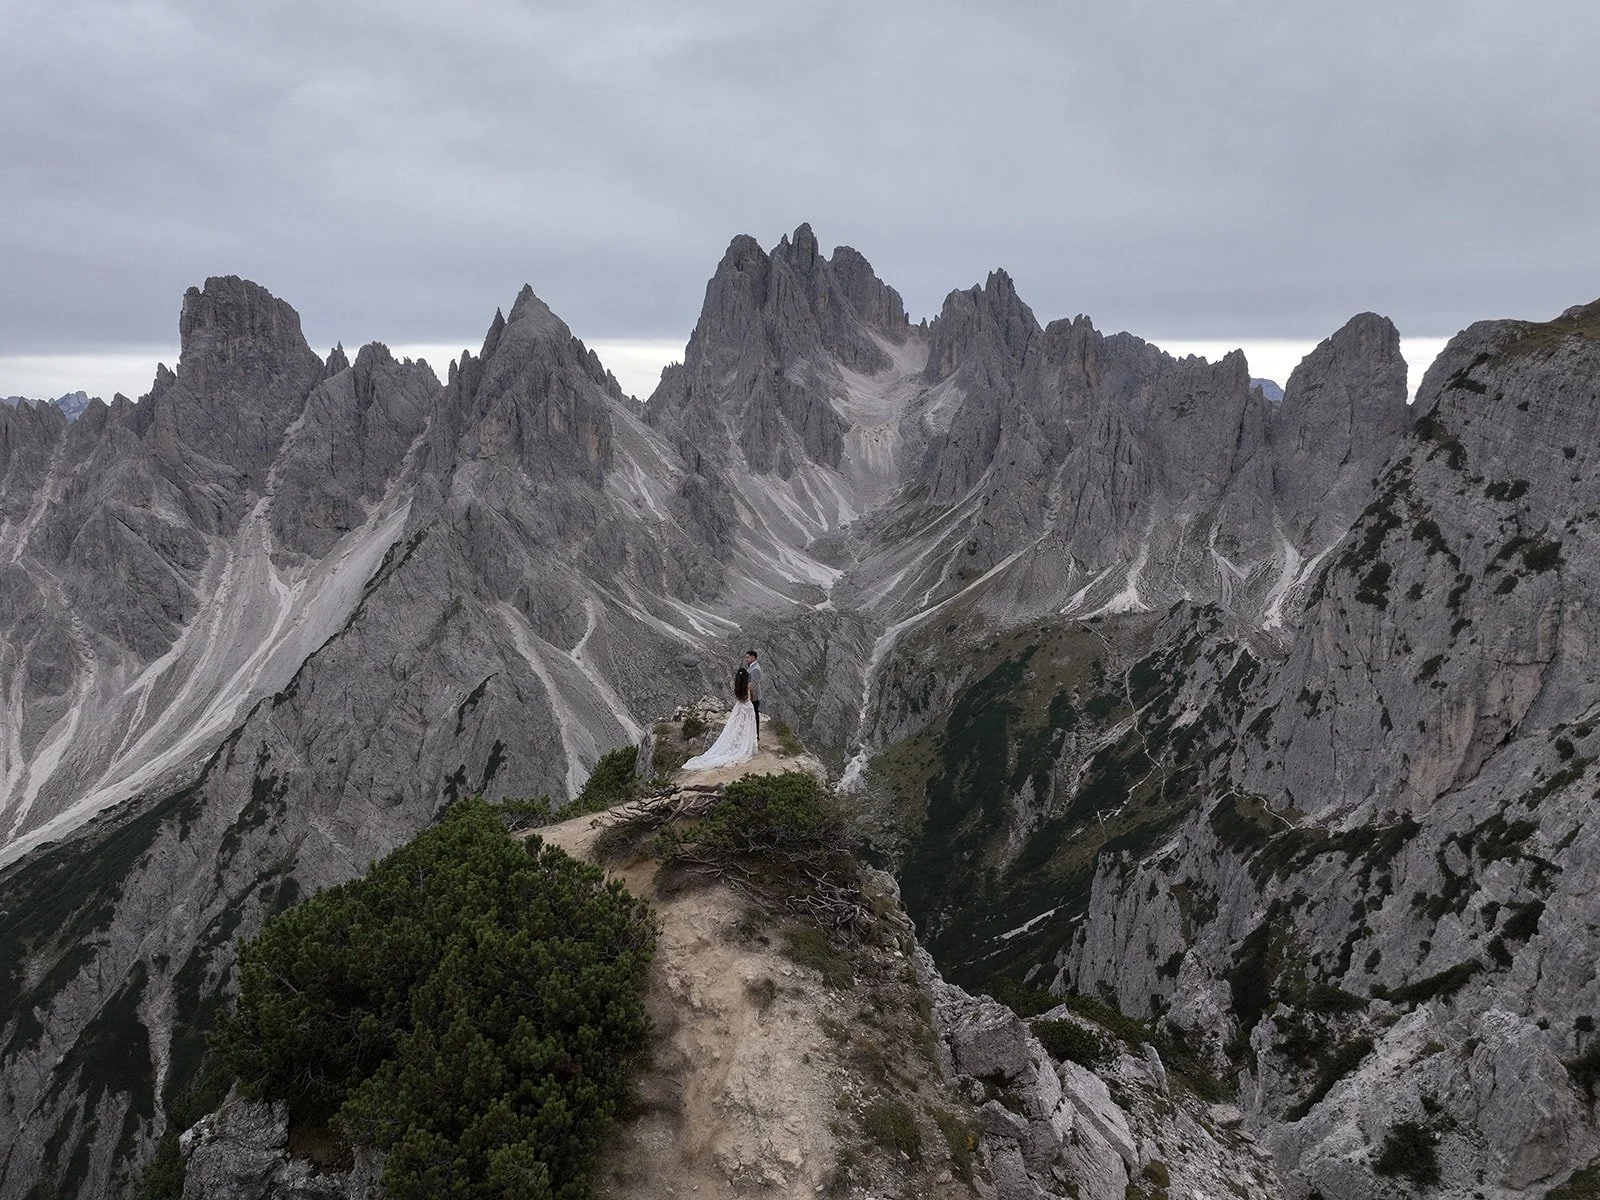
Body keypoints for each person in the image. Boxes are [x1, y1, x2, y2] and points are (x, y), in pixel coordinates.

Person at [680, 663, 758, 771]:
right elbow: (753, 697)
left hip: (739, 707)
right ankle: (747, 745)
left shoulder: (737, 687)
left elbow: (740, 698)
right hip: (747, 708)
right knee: (747, 726)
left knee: (737, 726)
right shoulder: (749, 686)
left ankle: (737, 743)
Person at [744, 650, 763, 740]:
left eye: (748, 657)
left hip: (753, 697)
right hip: (751, 696)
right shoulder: (752, 667)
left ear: (753, 657)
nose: (746, 659)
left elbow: (753, 684)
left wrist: (750, 697)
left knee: (755, 715)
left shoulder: (755, 669)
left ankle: (756, 735)